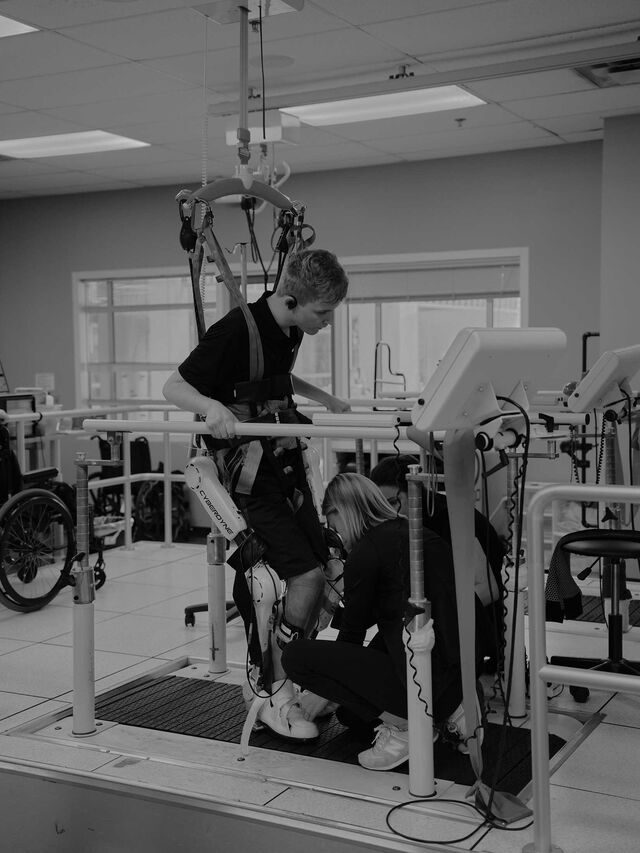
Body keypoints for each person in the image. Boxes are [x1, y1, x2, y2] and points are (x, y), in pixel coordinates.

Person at [163, 248, 349, 741]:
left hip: (284, 465)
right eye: (322, 314)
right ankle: (270, 684)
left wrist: (322, 398)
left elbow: (275, 380)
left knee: (330, 571)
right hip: (248, 476)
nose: (326, 324)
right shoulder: (232, 330)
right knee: (300, 579)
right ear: (290, 300)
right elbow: (174, 385)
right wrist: (210, 407)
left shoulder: (288, 327)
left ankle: (294, 670)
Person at [282, 473, 480, 771]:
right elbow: (388, 614)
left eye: (334, 526)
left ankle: (408, 728)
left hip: (424, 683)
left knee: (297, 657)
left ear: (343, 511)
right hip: (458, 673)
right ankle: (451, 714)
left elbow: (351, 636)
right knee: (351, 716)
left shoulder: (367, 550)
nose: (339, 537)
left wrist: (321, 693)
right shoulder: (415, 534)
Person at [370, 454, 505, 672]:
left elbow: (489, 590)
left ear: (415, 490)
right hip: (438, 620)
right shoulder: (406, 522)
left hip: (474, 629)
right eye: (380, 506)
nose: (387, 514)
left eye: (393, 503)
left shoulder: (453, 518)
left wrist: (434, 615)